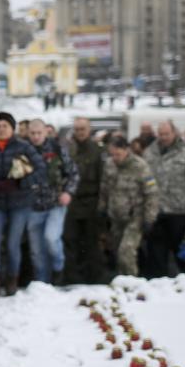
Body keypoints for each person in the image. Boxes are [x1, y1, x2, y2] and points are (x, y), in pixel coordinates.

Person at [0, 112, 45, 297]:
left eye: (5, 126)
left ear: (12, 129)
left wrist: (20, 183)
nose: (1, 129)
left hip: (19, 202)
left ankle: (11, 281)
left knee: (13, 243)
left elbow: (40, 169)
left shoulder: (24, 148)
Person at [142, 121, 185, 278]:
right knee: (156, 253)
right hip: (156, 211)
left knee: (183, 253)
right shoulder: (150, 152)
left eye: (167, 134)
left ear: (174, 133)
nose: (163, 137)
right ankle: (158, 284)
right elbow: (143, 178)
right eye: (161, 134)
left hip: (180, 210)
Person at [26, 119, 79, 285]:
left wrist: (68, 192)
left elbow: (73, 173)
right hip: (32, 206)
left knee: (51, 238)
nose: (36, 137)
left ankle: (58, 270)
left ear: (46, 132)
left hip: (55, 203)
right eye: (32, 133)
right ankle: (42, 282)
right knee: (36, 250)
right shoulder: (24, 151)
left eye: (39, 133)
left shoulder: (57, 149)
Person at [99, 137, 159, 276]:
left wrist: (149, 218)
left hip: (135, 216)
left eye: (118, 154)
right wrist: (102, 208)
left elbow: (151, 193)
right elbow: (105, 188)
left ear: (126, 150)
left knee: (127, 251)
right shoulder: (109, 164)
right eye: (112, 154)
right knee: (117, 252)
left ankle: (132, 283)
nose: (115, 158)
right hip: (116, 216)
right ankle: (122, 280)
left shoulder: (140, 166)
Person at [63, 117, 105, 284]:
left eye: (83, 129)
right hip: (72, 203)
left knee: (91, 242)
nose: (80, 133)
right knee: (71, 241)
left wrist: (101, 205)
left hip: (91, 202)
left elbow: (103, 180)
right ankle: (72, 278)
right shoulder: (68, 150)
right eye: (77, 129)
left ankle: (93, 277)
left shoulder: (97, 151)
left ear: (89, 130)